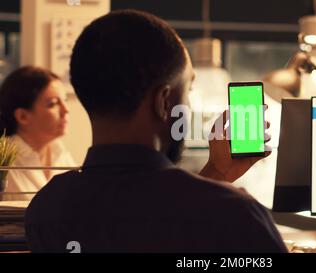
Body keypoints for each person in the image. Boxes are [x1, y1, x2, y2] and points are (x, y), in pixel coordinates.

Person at [25, 9, 287, 252]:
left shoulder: (47, 209)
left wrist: (216, 173)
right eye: (188, 90)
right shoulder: (235, 215)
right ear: (163, 102)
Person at [0, 66, 76, 201]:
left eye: (64, 100)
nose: (66, 110)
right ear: (23, 116)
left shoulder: (60, 152)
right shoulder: (5, 164)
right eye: (53, 104)